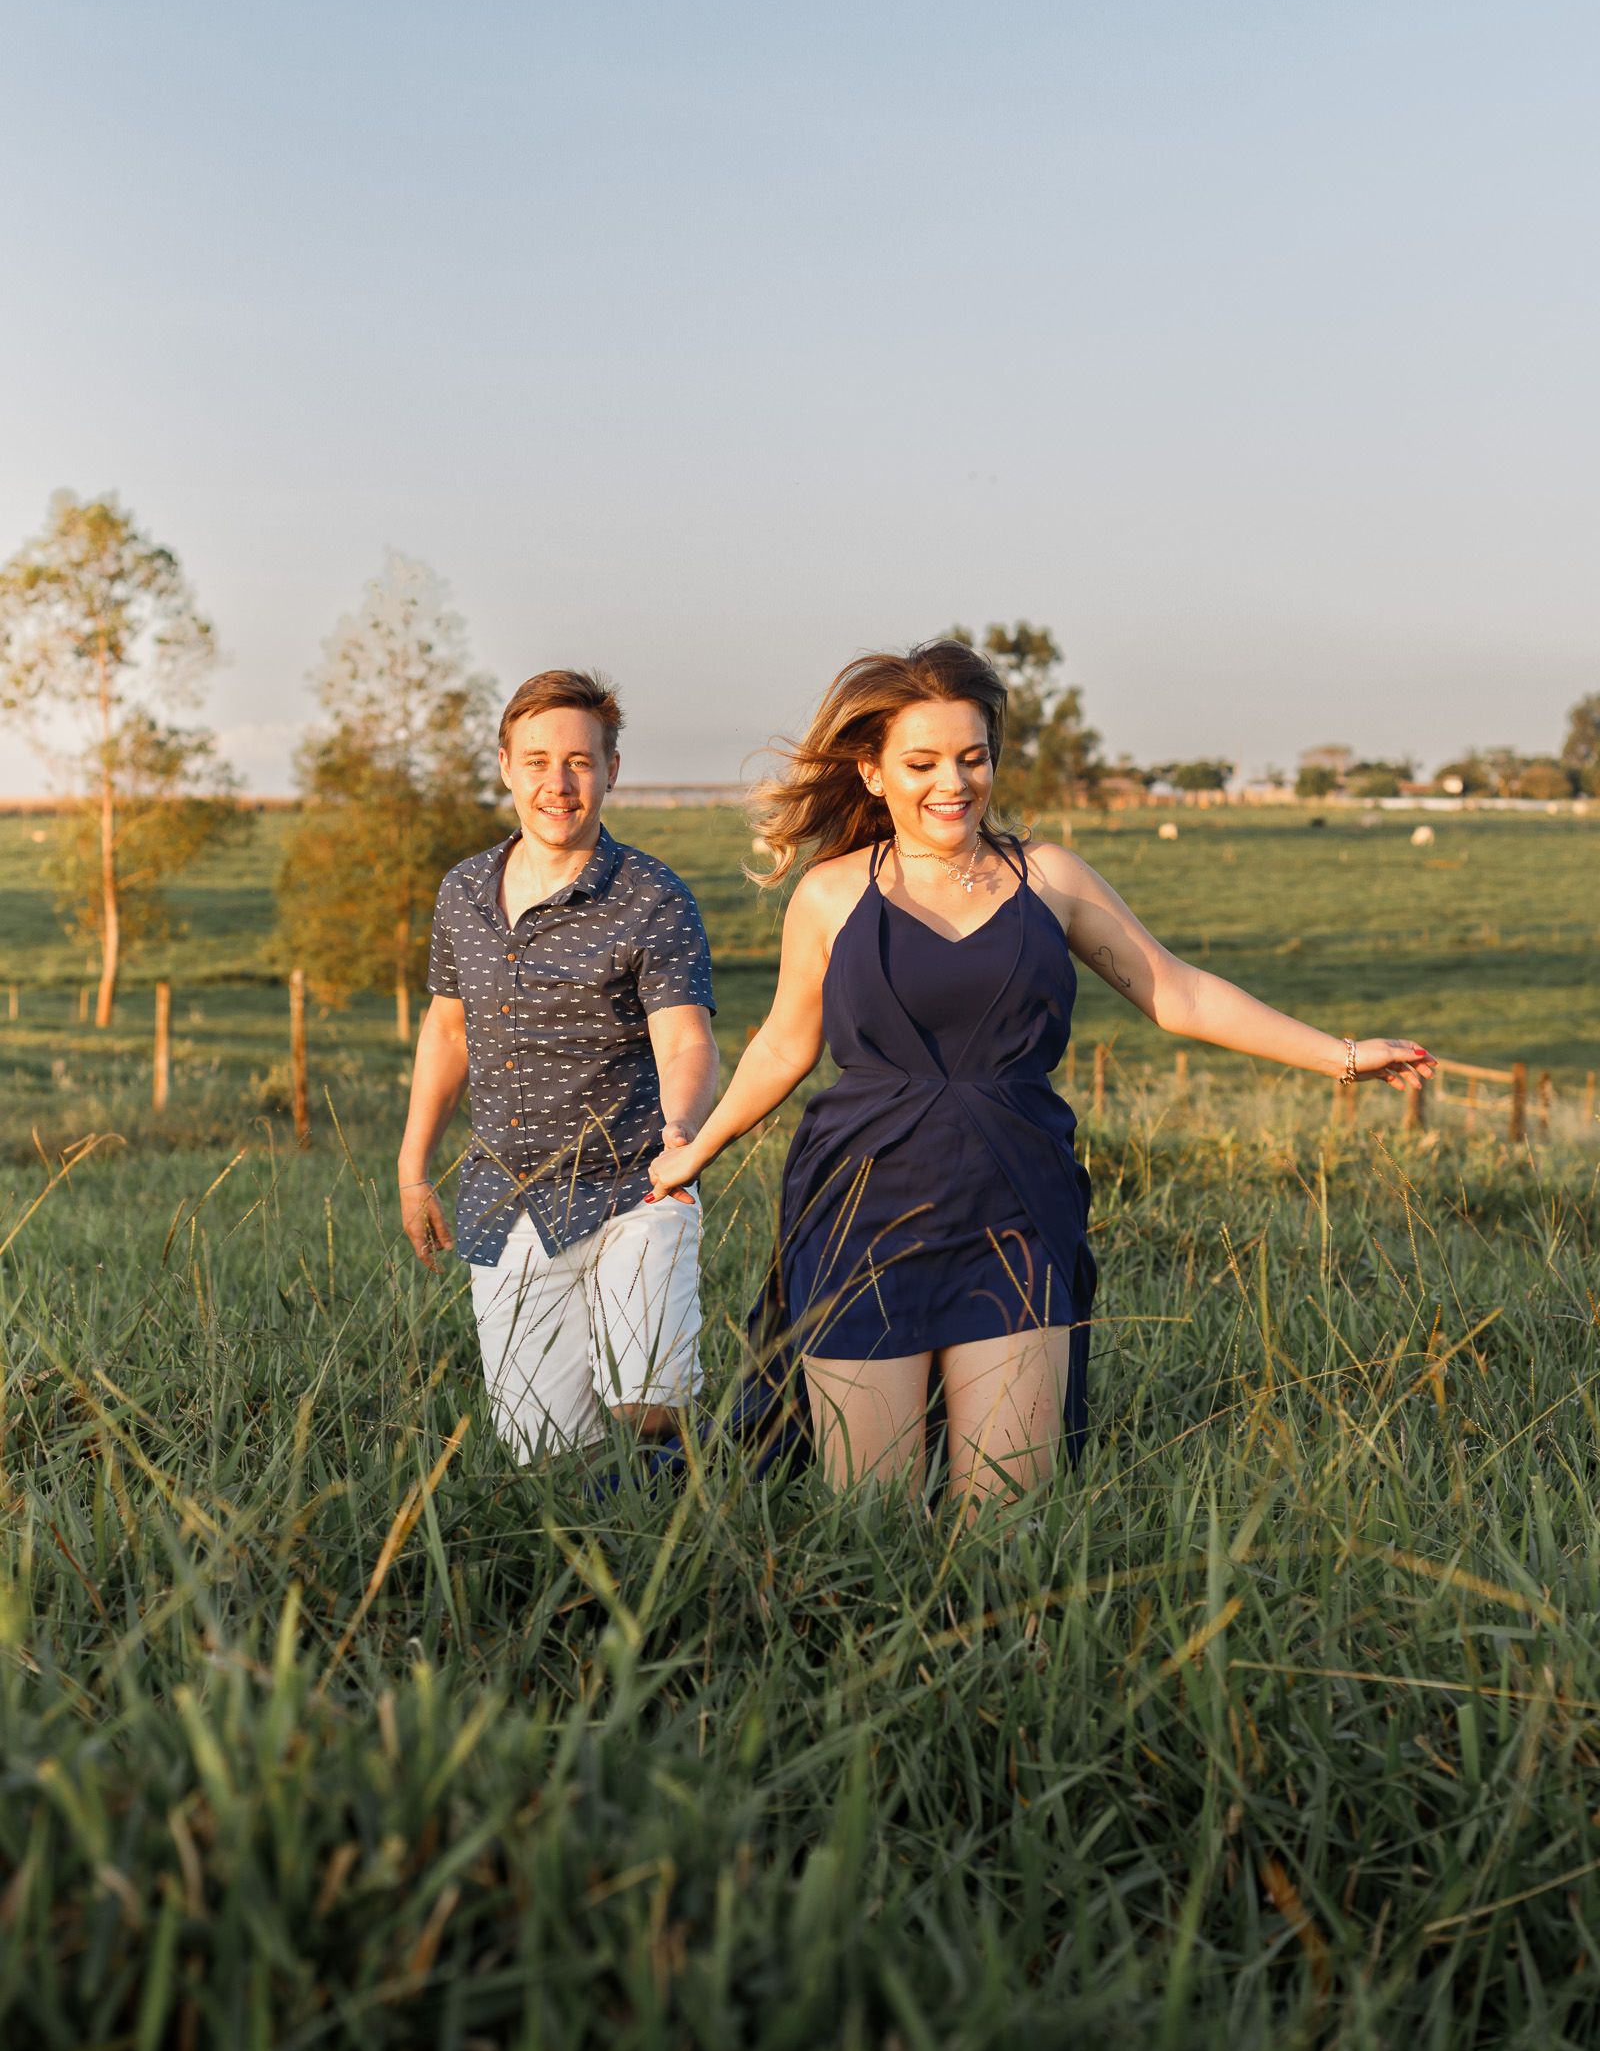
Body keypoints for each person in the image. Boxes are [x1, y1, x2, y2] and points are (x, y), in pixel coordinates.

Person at [647, 640, 1434, 1515]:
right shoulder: (830, 895)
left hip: (1015, 1205)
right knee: (873, 1517)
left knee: (1007, 1519)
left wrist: (1343, 1054)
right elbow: (781, 1047)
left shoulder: (1049, 878)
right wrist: (698, 1150)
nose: (954, 782)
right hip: (859, 1212)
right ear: (872, 774)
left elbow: (1176, 992)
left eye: (973, 757)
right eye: (922, 763)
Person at [398, 669, 719, 1464]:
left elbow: (685, 1040)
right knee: (544, 1455)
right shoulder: (464, 892)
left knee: (648, 1402)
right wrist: (413, 1170)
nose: (559, 783)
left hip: (636, 1185)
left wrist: (683, 1129)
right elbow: (447, 1033)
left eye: (579, 762)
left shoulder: (653, 897)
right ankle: (609, 1528)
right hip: (508, 1201)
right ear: (506, 766)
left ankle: (696, 1503)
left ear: (612, 770)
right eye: (538, 761)